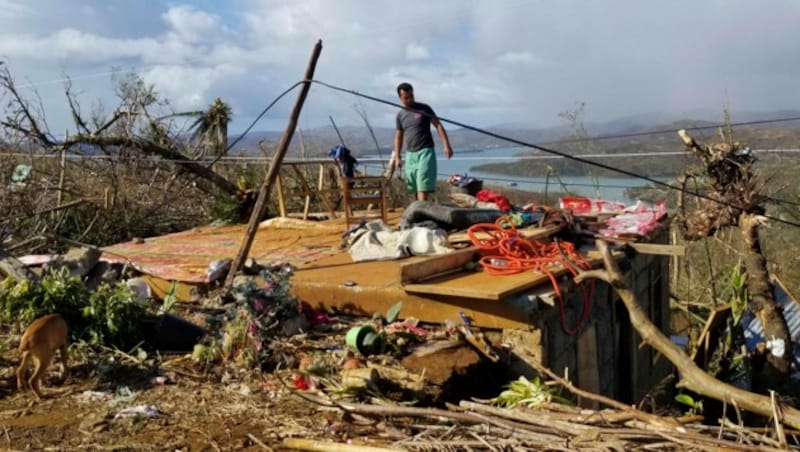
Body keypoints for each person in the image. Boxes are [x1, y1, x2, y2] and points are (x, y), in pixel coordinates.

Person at [392, 82, 454, 201]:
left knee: (423, 183)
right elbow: (398, 136)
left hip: (425, 151)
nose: (410, 99)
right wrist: (397, 157)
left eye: (411, 96)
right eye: (406, 97)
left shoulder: (424, 108)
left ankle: (422, 210)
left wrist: (447, 145)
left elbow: (438, 125)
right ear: (400, 98)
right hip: (410, 154)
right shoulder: (400, 115)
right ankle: (418, 211)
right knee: (413, 185)